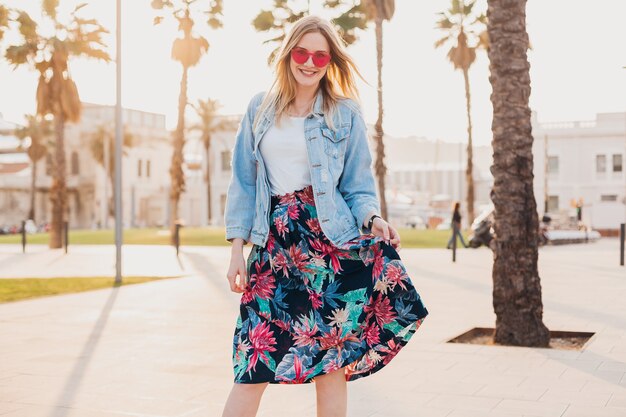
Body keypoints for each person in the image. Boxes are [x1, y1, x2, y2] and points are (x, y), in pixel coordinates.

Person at [222, 15, 429, 417]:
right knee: (253, 362)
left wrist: (373, 219)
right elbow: (243, 185)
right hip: (273, 248)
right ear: (288, 55)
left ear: (331, 60)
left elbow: (357, 185)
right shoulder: (259, 109)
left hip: (329, 246)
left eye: (320, 55)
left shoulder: (344, 113)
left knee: (331, 363)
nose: (310, 62)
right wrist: (236, 251)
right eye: (302, 52)